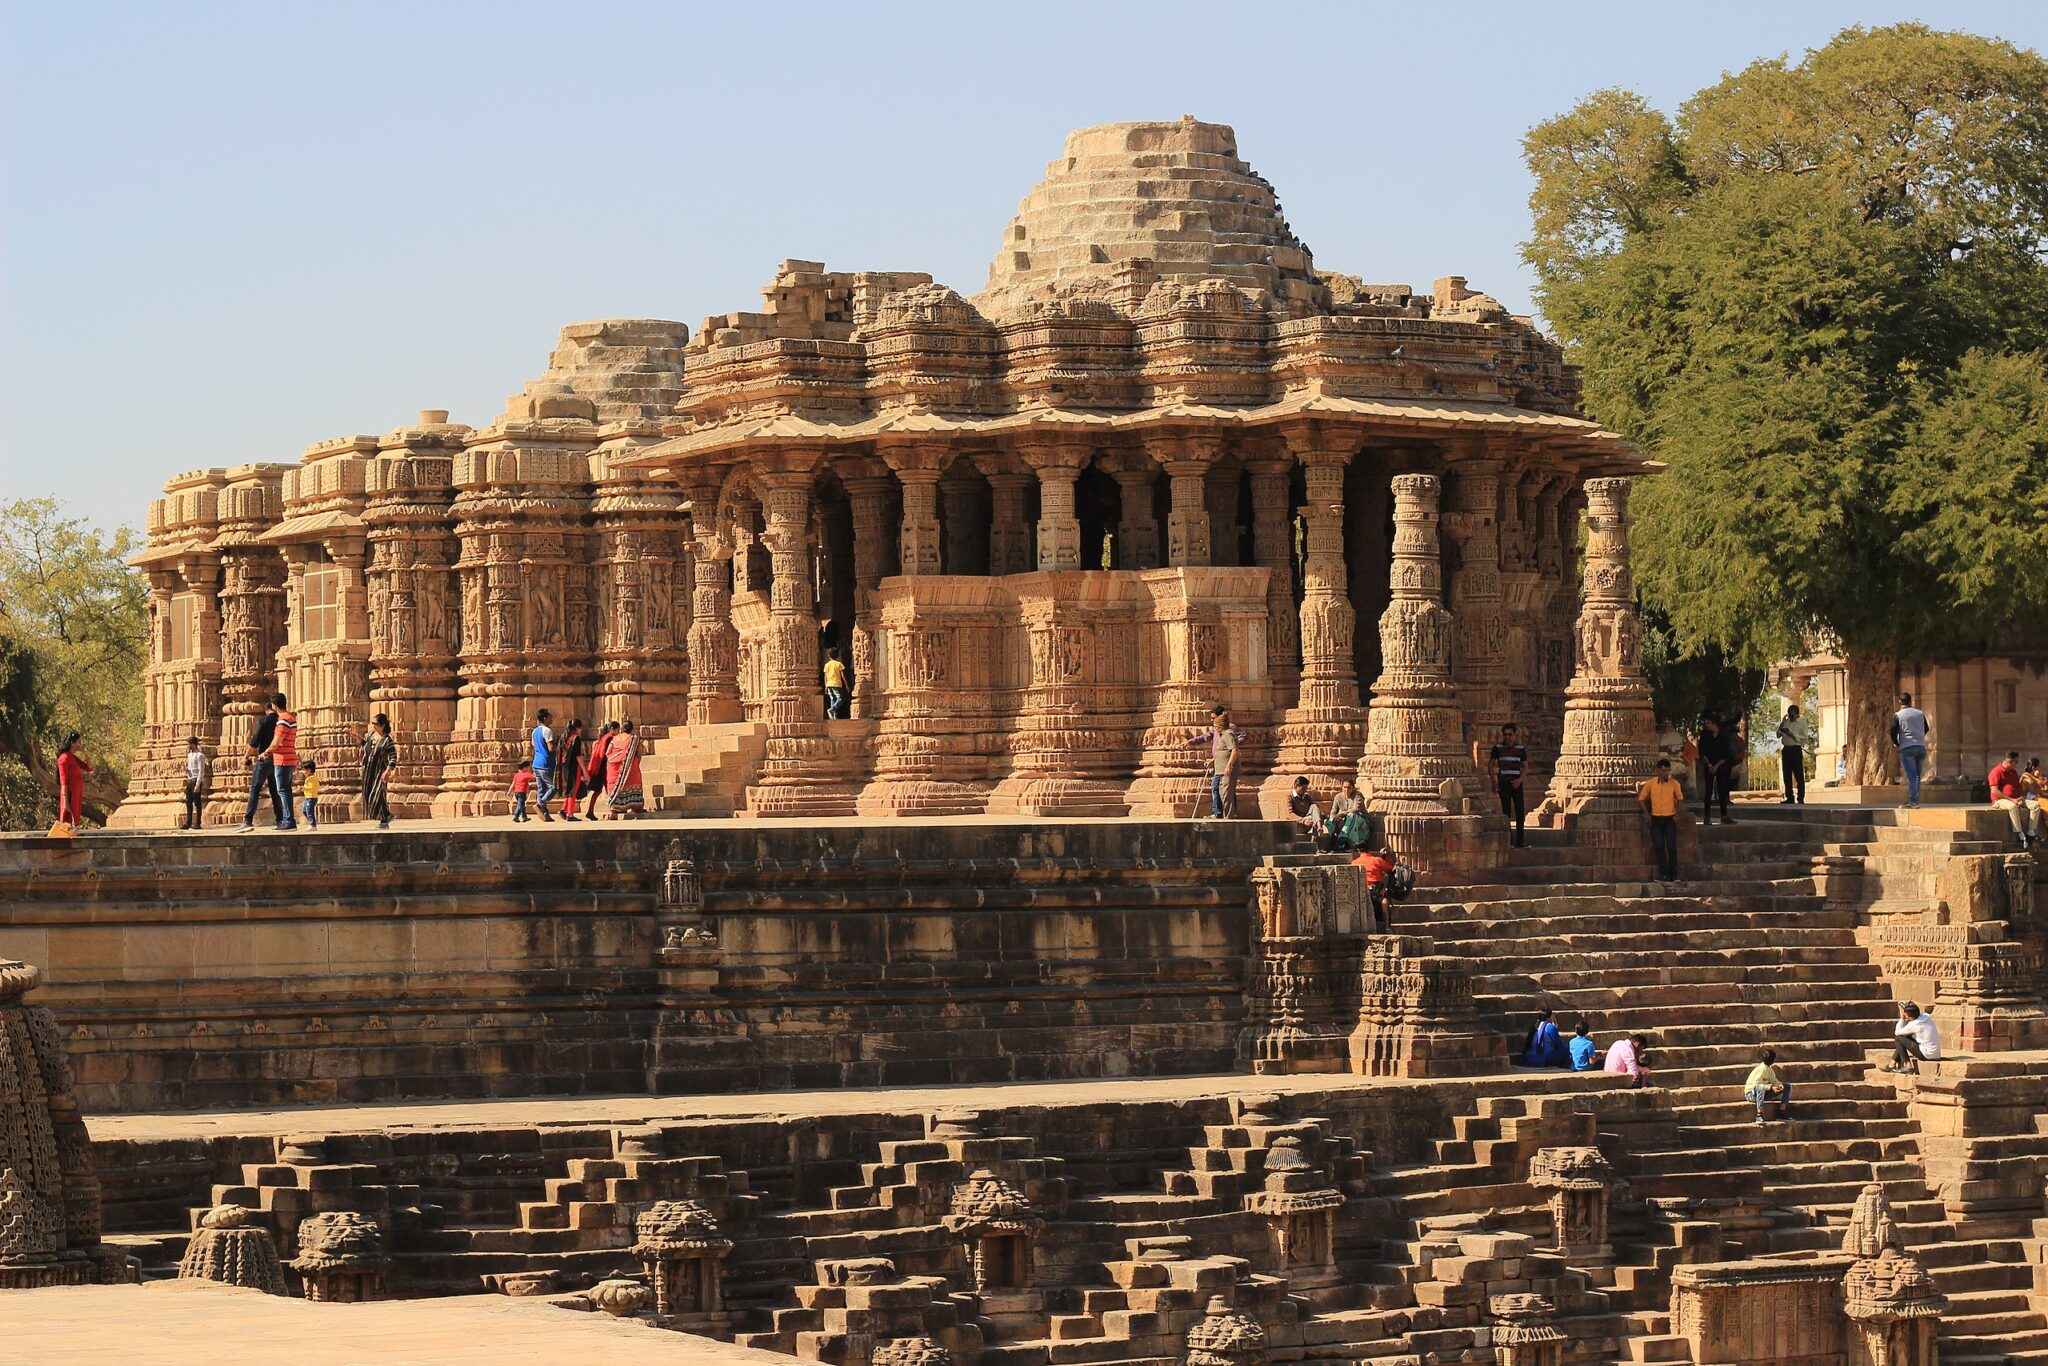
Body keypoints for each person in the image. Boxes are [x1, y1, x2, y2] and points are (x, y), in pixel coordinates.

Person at [1187, 705, 1245, 819]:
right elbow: (1205, 737)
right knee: (1217, 788)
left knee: (1227, 791)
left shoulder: (1229, 731)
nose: (1212, 722)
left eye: (1214, 718)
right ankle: (1219, 813)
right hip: (1218, 765)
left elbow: (1238, 743)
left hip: (1226, 766)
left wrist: (1234, 744)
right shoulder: (1217, 730)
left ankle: (1229, 815)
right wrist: (1190, 742)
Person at [237, 699, 283, 832]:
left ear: (266, 709)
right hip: (277, 759)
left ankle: (247, 820)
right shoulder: (281, 722)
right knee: (275, 791)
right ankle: (280, 819)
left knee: (255, 789)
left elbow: (254, 742)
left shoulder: (263, 722)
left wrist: (246, 757)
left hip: (264, 759)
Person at [1638, 758, 1685, 883]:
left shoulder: (1674, 784)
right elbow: (1641, 799)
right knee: (1659, 846)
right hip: (1656, 819)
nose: (1666, 774)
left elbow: (1680, 799)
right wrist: (1647, 814)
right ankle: (1664, 874)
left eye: (1668, 771)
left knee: (1671, 846)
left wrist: (1678, 814)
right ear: (1658, 770)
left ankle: (1674, 875)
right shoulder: (1651, 784)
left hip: (1670, 818)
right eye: (1664, 771)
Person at [1489, 722, 1529, 848]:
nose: (1507, 737)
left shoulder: (1520, 749)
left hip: (1517, 784)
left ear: (1515, 734)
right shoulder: (1497, 748)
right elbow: (1490, 765)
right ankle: (1509, 842)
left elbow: (1526, 767)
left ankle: (1520, 842)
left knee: (1520, 813)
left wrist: (1520, 780)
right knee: (1507, 813)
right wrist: (1493, 781)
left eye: (1510, 734)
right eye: (1505, 735)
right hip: (1504, 783)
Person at [265, 692, 299, 831]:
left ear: (274, 705)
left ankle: (288, 820)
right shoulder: (291, 718)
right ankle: (289, 819)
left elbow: (276, 742)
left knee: (282, 790)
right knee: (286, 790)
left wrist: (265, 752)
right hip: (290, 757)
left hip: (282, 760)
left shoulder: (283, 720)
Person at [1890, 692, 1930, 808]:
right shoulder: (1920, 713)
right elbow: (1926, 728)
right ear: (1910, 701)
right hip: (1920, 746)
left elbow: (1893, 732)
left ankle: (1913, 801)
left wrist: (1897, 743)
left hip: (1907, 747)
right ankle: (1915, 800)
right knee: (1917, 776)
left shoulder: (1897, 715)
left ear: (1899, 701)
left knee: (1912, 776)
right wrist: (1918, 737)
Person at [359, 713, 397, 830]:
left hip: (379, 771)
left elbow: (393, 757)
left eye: (376, 724)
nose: (374, 726)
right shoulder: (370, 735)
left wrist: (388, 771)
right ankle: (387, 815)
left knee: (378, 795)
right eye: (373, 724)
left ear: (383, 725)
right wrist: (356, 735)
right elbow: (364, 744)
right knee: (368, 794)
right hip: (368, 771)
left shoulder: (387, 741)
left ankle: (384, 820)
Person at [1989, 751, 2033, 849]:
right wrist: (2012, 800)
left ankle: (2031, 832)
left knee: (2035, 805)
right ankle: (2020, 833)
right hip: (2000, 800)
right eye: (2016, 762)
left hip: (2016, 799)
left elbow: (2017, 787)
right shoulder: (1996, 771)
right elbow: (1994, 791)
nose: (2017, 764)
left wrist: (2021, 797)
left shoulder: (2013, 772)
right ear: (2009, 761)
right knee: (2012, 807)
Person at [1697, 715, 1735, 826]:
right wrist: (1709, 765)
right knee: (1708, 791)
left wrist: (1716, 766)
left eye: (1708, 722)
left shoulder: (1724, 736)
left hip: (1721, 765)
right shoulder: (1705, 736)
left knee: (1722, 790)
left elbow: (1726, 754)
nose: (1707, 724)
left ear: (1714, 724)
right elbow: (1702, 752)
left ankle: (1724, 816)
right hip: (1708, 765)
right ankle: (1707, 817)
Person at [605, 718, 645, 818]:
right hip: (630, 767)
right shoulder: (633, 738)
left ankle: (613, 812)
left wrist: (617, 757)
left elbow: (607, 753)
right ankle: (635, 807)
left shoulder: (615, 739)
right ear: (632, 729)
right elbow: (639, 753)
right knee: (633, 784)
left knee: (614, 787)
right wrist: (632, 762)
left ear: (622, 729)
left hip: (614, 768)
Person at [1888, 1003, 1941, 1074]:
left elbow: (1897, 1032)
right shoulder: (1926, 1016)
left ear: (1910, 1017)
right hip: (1935, 1053)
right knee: (1906, 1037)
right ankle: (1892, 1063)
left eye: (1906, 1015)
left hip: (1926, 1054)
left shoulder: (1914, 1024)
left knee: (1898, 1039)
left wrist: (1902, 1019)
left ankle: (1908, 1066)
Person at [582, 721, 619, 819]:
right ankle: (613, 811)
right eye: (617, 730)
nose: (618, 732)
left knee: (598, 791)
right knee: (611, 790)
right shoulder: (610, 738)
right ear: (612, 729)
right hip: (604, 768)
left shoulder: (603, 738)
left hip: (598, 767)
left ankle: (590, 811)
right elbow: (607, 754)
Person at [1745, 1047, 1791, 1124]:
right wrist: (1770, 1088)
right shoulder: (1760, 1069)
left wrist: (1779, 1085)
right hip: (1751, 1095)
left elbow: (1774, 1080)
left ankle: (1781, 1113)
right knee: (1761, 1087)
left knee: (1787, 1086)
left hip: (1763, 1093)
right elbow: (1756, 1085)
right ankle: (1759, 1115)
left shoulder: (1769, 1070)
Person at [55, 733, 90, 829]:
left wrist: (85, 753)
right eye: (79, 742)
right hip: (69, 793)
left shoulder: (72, 757)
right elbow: (63, 780)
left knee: (74, 819)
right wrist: (65, 799)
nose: (80, 744)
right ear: (72, 743)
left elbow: (89, 768)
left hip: (76, 793)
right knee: (67, 820)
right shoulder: (64, 758)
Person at [1328, 780, 1372, 852]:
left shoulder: (1357, 795)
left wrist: (1342, 814)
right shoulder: (1338, 797)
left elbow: (1356, 809)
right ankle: (1332, 843)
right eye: (1345, 787)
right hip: (1345, 822)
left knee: (1351, 816)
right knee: (1328, 822)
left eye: (1349, 787)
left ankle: (1342, 838)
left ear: (1353, 788)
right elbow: (1333, 811)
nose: (1346, 790)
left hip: (1361, 822)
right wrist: (1334, 818)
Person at [555, 720, 585, 822]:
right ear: (577, 728)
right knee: (573, 790)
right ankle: (570, 814)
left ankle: (563, 810)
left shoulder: (564, 738)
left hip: (565, 767)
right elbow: (578, 756)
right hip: (574, 767)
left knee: (569, 789)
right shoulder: (576, 739)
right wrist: (584, 771)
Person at [529, 708, 556, 822]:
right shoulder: (547, 731)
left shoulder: (535, 731)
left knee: (541, 790)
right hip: (546, 763)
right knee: (553, 787)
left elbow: (533, 747)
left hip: (536, 763)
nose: (552, 719)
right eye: (550, 716)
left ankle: (545, 814)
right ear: (545, 718)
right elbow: (551, 748)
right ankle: (541, 804)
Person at [1776, 705, 1807, 805]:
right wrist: (1782, 725)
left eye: (1792, 715)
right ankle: (1789, 797)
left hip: (1795, 749)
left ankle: (1800, 798)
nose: (1791, 717)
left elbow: (1804, 739)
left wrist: (1793, 735)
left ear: (1797, 714)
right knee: (1787, 775)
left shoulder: (1802, 723)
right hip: (1786, 750)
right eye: (1789, 714)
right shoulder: (1786, 723)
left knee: (1798, 775)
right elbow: (1778, 735)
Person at [182, 736, 210, 831]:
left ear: (193, 744)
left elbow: (201, 770)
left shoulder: (200, 755)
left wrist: (198, 784)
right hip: (190, 779)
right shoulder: (189, 755)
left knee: (197, 802)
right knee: (188, 801)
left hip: (196, 780)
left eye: (189, 744)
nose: (188, 746)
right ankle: (188, 822)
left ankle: (198, 822)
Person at [1287, 776, 1325, 843]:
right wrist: (1303, 821)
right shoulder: (1289, 797)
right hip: (1297, 824)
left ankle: (1318, 830)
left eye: (1306, 788)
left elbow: (1315, 810)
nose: (1305, 790)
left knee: (1314, 807)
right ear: (1297, 786)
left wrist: (1321, 815)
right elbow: (1290, 814)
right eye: (1303, 788)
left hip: (1310, 822)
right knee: (1316, 816)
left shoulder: (1307, 796)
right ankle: (1315, 840)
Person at [2024, 758, 2048, 844]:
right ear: (2034, 767)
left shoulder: (2039, 776)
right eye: (2039, 766)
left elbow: (2045, 788)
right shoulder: (2026, 777)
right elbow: (2033, 791)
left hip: (2041, 796)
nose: (2041, 768)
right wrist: (2044, 791)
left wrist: (2042, 779)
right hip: (2032, 798)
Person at [824, 650, 850, 720]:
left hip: (829, 684)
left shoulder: (827, 665)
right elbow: (843, 676)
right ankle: (832, 709)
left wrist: (826, 686)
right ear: (837, 655)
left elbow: (825, 676)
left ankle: (834, 716)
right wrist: (846, 685)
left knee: (832, 699)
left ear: (829, 655)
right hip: (836, 684)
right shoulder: (839, 664)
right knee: (840, 699)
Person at [298, 758, 320, 830]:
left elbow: (312, 788)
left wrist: (303, 788)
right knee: (304, 810)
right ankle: (312, 822)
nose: (303, 772)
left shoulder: (312, 778)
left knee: (309, 811)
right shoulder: (309, 778)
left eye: (304, 770)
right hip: (308, 797)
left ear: (309, 770)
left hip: (311, 797)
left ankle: (313, 825)